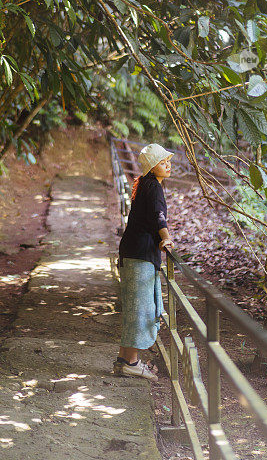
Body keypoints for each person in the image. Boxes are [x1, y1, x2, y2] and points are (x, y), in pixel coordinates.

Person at [113, 143, 174, 381]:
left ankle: (123, 360)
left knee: (134, 307)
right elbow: (159, 216)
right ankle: (132, 362)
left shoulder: (146, 185)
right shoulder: (153, 187)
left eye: (168, 161)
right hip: (139, 254)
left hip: (132, 252)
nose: (167, 165)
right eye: (162, 162)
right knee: (141, 310)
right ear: (152, 167)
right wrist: (166, 238)